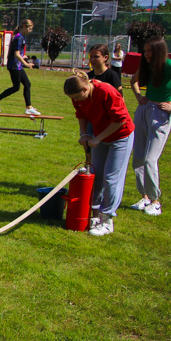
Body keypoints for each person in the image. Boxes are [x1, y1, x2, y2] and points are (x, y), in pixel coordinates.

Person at [64, 72, 134, 236]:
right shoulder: (77, 97)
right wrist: (84, 134)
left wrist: (98, 138)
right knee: (96, 176)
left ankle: (107, 219)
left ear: (86, 87)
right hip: (100, 137)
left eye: (78, 96)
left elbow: (120, 119)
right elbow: (81, 115)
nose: (76, 100)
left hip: (121, 136)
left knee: (111, 178)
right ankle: (95, 216)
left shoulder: (106, 91)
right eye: (72, 98)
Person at [129, 37, 171, 216]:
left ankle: (156, 201)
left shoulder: (170, 64)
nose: (147, 54)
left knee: (149, 159)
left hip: (161, 113)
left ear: (159, 51)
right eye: (145, 50)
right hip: (144, 110)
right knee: (138, 159)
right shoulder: (148, 65)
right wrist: (139, 96)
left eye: (150, 51)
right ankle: (145, 197)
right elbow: (133, 80)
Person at [0, 19, 40, 116]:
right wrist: (26, 63)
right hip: (14, 66)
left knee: (27, 84)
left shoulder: (20, 37)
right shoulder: (19, 38)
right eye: (30, 28)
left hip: (17, 65)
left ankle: (28, 107)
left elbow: (17, 53)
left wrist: (23, 56)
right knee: (16, 87)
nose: (30, 30)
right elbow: (16, 54)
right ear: (24, 27)